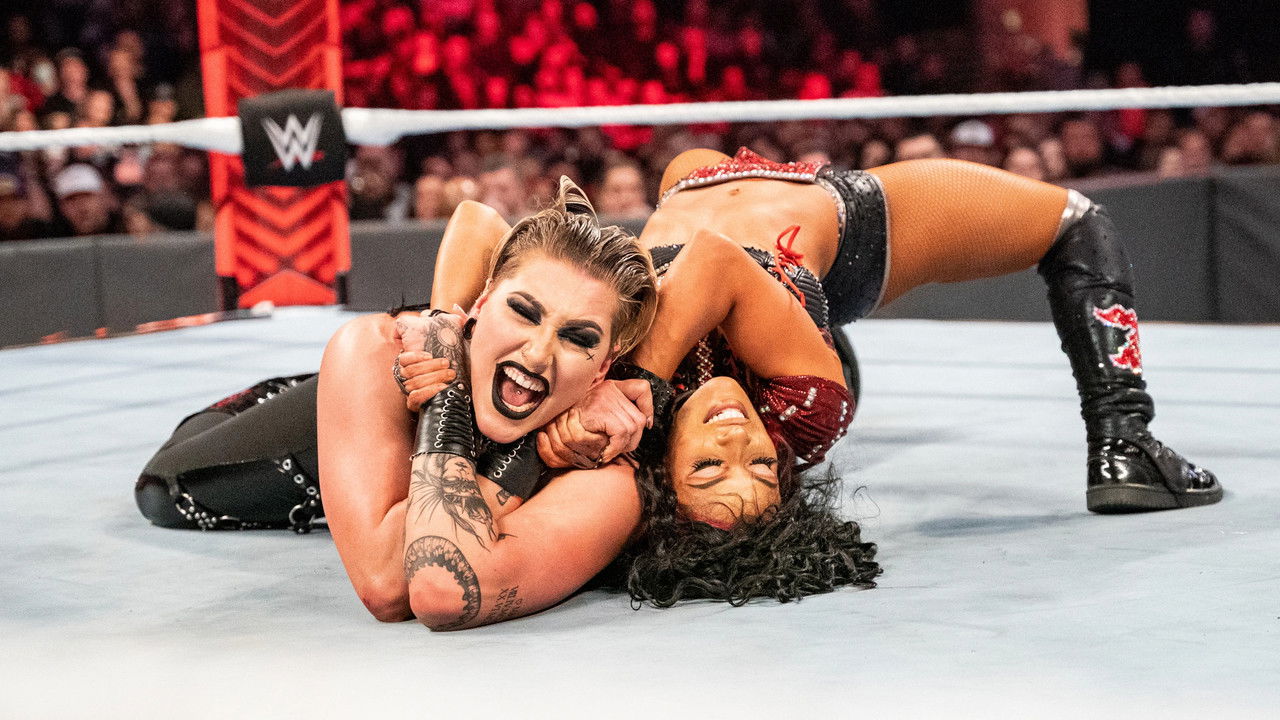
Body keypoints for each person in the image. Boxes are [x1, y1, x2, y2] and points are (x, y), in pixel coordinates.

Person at [538, 147, 1221, 519]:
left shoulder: (595, 398)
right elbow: (714, 261)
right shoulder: (805, 405)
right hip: (836, 234)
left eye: (710, 467)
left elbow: (497, 240)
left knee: (686, 164)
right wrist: (641, 386)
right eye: (761, 465)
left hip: (700, 187)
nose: (733, 443)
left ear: (665, 477)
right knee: (1077, 220)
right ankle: (1124, 439)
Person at [136, 178, 663, 628]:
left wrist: (524, 445)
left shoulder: (603, 447)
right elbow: (388, 584)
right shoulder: (380, 352)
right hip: (241, 441)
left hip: (426, 403)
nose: (539, 351)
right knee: (161, 493)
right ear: (481, 304)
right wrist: (451, 395)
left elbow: (437, 584)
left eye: (577, 338)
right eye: (524, 312)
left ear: (603, 368)